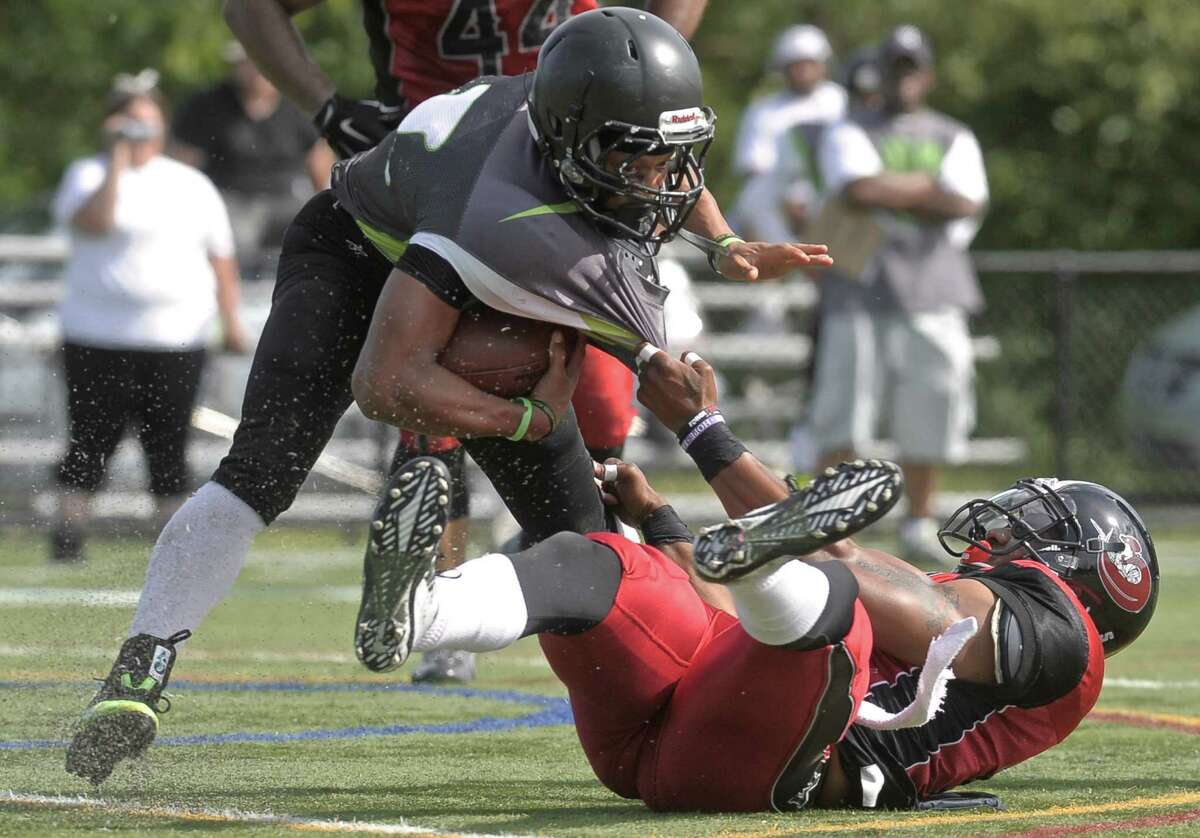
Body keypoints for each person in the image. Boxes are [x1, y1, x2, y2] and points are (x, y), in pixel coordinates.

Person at [65, 9, 831, 784]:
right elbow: (386, 383)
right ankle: (144, 661)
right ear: (574, 140)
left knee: (591, 548)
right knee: (262, 469)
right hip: (358, 254)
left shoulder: (576, 113)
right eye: (637, 159)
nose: (660, 182)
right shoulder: (503, 221)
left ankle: (595, 679)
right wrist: (523, 417)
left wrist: (724, 241)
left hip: (467, 264)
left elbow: (651, 150)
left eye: (673, 154)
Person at [344, 346, 1158, 811]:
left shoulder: (1067, 646)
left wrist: (703, 429)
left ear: (1084, 566)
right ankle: (415, 612)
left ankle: (770, 555)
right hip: (684, 739)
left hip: (786, 765)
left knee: (842, 607)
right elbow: (728, 618)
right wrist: (664, 525)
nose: (1011, 526)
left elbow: (876, 587)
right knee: (609, 563)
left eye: (1041, 526)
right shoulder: (984, 629)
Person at [223, 0, 710, 681]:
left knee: (599, 427)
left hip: (576, 167)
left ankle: (530, 573)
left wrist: (646, 84)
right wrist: (327, 106)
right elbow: (252, 7)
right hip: (454, 185)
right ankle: (440, 607)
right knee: (434, 413)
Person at [48, 71, 247, 564]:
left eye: (147, 124)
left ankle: (174, 547)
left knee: (168, 446)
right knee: (90, 442)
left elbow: (221, 257)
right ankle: (68, 537)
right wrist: (116, 159)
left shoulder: (191, 184)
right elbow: (95, 223)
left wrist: (232, 322)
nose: (140, 134)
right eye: (129, 123)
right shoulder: (88, 175)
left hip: (176, 338)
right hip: (97, 336)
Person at [810, 25, 989, 563]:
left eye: (912, 68)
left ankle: (918, 520)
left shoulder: (954, 134)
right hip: (859, 288)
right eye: (895, 67)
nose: (903, 78)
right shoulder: (848, 127)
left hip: (935, 289)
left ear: (926, 76)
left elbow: (967, 203)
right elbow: (856, 188)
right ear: (880, 73)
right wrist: (928, 190)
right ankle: (823, 522)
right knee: (844, 411)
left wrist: (894, 186)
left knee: (932, 406)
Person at [171, 43, 335, 277]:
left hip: (287, 197)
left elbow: (319, 160)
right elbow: (183, 165)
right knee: (233, 238)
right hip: (231, 198)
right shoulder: (207, 106)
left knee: (313, 233)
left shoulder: (299, 105)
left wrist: (328, 209)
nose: (256, 71)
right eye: (249, 64)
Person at [730, 24, 846, 243]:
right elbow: (755, 168)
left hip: (832, 194)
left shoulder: (841, 102)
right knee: (752, 197)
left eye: (809, 63)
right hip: (779, 202)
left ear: (823, 65)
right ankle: (777, 263)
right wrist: (789, 199)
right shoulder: (763, 110)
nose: (803, 71)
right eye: (796, 65)